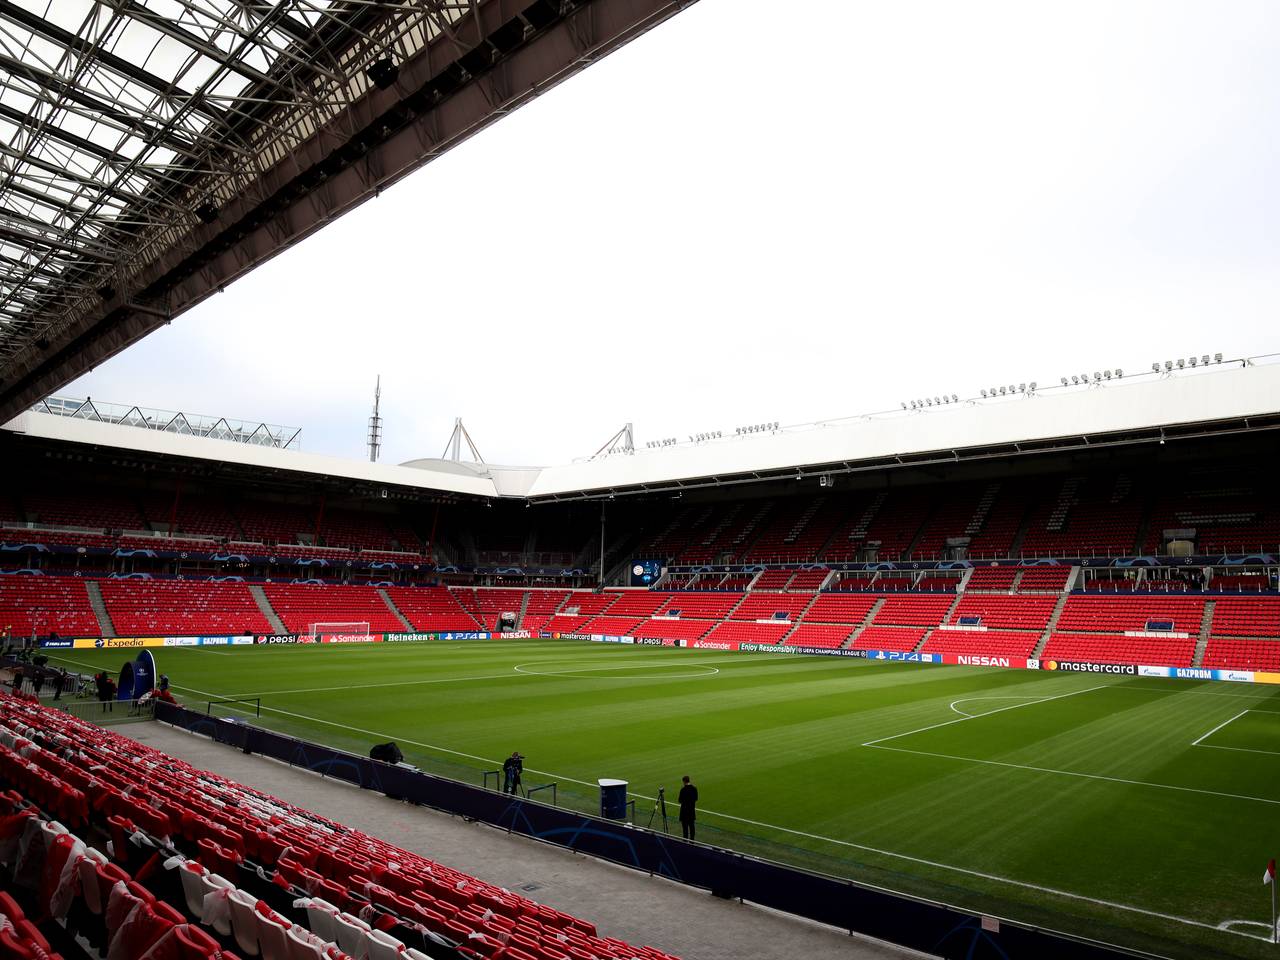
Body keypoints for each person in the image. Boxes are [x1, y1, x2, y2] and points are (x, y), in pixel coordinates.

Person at [677, 775, 698, 841]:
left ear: (684, 781)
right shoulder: (694, 788)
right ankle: (692, 841)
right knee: (692, 827)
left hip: (684, 812)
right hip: (691, 811)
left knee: (685, 829)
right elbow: (696, 798)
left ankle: (685, 842)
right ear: (689, 780)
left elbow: (680, 800)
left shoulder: (683, 790)